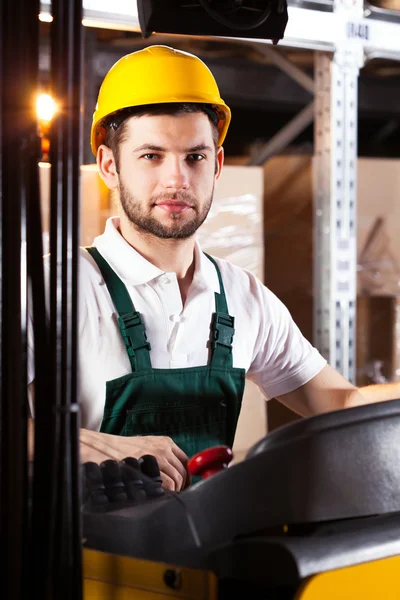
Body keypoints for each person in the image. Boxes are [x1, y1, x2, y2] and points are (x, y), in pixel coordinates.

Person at [28, 45, 400, 491]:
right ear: (110, 166)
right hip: (84, 557)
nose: (177, 179)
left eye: (195, 157)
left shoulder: (244, 297)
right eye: (151, 156)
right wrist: (75, 443)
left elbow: (342, 401)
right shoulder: (53, 288)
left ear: (218, 164)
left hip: (204, 551)